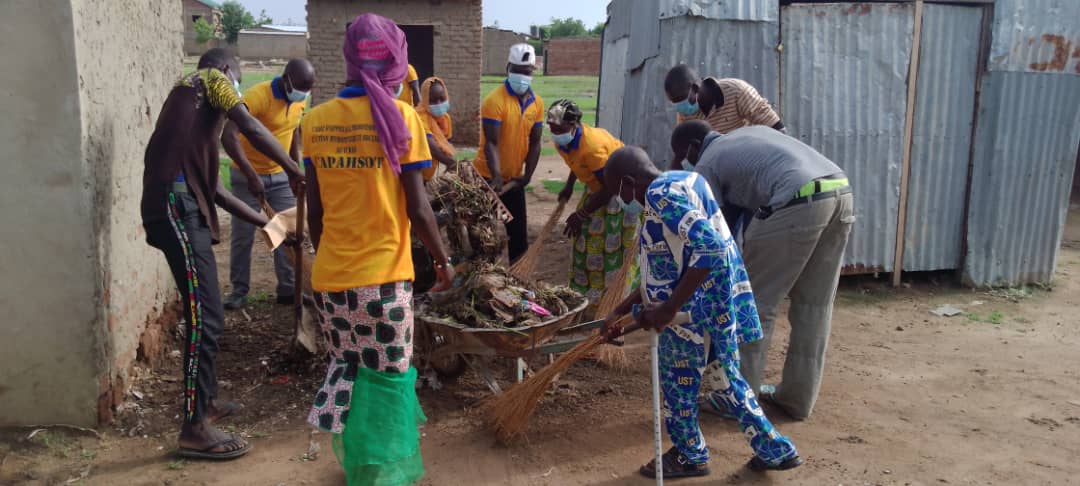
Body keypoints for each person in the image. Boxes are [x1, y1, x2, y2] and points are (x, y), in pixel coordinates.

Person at [302, 14, 454, 486]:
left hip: (332, 284)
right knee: (387, 383)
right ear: (397, 61)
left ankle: (360, 466)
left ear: (348, 59)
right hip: (384, 286)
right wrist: (445, 262)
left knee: (349, 375)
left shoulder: (314, 122)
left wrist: (334, 256)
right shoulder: (403, 117)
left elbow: (317, 216)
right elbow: (419, 209)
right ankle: (382, 476)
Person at [141, 48, 304, 460]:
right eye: (238, 79)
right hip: (175, 209)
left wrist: (273, 227)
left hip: (184, 206)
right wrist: (294, 169)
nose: (237, 89)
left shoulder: (195, 129)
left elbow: (217, 191)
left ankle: (206, 402)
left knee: (209, 313)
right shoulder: (209, 79)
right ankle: (194, 428)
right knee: (206, 316)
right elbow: (249, 127)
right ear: (228, 70)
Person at [601, 146, 801, 478]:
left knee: (678, 382)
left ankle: (690, 455)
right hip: (715, 304)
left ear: (628, 181)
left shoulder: (660, 198)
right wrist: (620, 312)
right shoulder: (684, 181)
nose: (621, 199)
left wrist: (669, 308)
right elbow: (667, 267)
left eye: (617, 191)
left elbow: (710, 247)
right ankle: (775, 450)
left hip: (692, 313)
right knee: (727, 379)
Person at [672, 120, 854, 420]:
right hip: (839, 190)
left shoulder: (708, 162)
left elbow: (711, 235)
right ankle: (796, 399)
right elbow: (731, 221)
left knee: (753, 305)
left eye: (683, 155)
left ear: (693, 146)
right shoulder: (747, 135)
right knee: (814, 306)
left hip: (794, 199)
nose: (687, 162)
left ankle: (736, 398)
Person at [221, 59, 314, 310]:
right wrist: (251, 175)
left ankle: (287, 288)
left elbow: (293, 132)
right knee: (243, 235)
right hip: (246, 176)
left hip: (280, 177)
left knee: (285, 232)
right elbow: (229, 137)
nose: (303, 94)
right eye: (301, 88)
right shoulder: (258, 96)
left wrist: (293, 171)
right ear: (286, 80)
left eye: (308, 90)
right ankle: (239, 292)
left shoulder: (300, 99)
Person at [546, 99, 634, 317]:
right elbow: (577, 163)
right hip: (598, 189)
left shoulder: (592, 147)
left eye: (559, 128)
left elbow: (609, 187)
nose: (555, 132)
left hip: (618, 194)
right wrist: (568, 187)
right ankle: (587, 300)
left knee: (610, 250)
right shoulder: (562, 142)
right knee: (585, 243)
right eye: (551, 127)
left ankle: (609, 306)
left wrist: (582, 213)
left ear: (574, 125)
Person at [473, 43, 545, 263]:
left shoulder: (537, 104)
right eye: (518, 71)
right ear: (508, 68)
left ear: (532, 71)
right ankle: (481, 279)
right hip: (487, 179)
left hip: (513, 182)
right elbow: (491, 143)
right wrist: (495, 176)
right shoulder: (494, 101)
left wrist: (527, 176)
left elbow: (535, 143)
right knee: (484, 237)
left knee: (518, 237)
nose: (523, 76)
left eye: (527, 72)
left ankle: (517, 281)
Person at [664, 64, 785, 143]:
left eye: (680, 100)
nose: (679, 107)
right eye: (674, 102)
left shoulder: (737, 91)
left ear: (695, 89)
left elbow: (777, 129)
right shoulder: (687, 113)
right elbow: (686, 147)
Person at [416, 76, 456, 181]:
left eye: (442, 99)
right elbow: (431, 146)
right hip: (417, 172)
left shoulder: (445, 119)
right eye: (433, 101)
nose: (438, 104)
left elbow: (447, 145)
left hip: (433, 172)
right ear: (425, 100)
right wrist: (452, 163)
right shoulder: (419, 117)